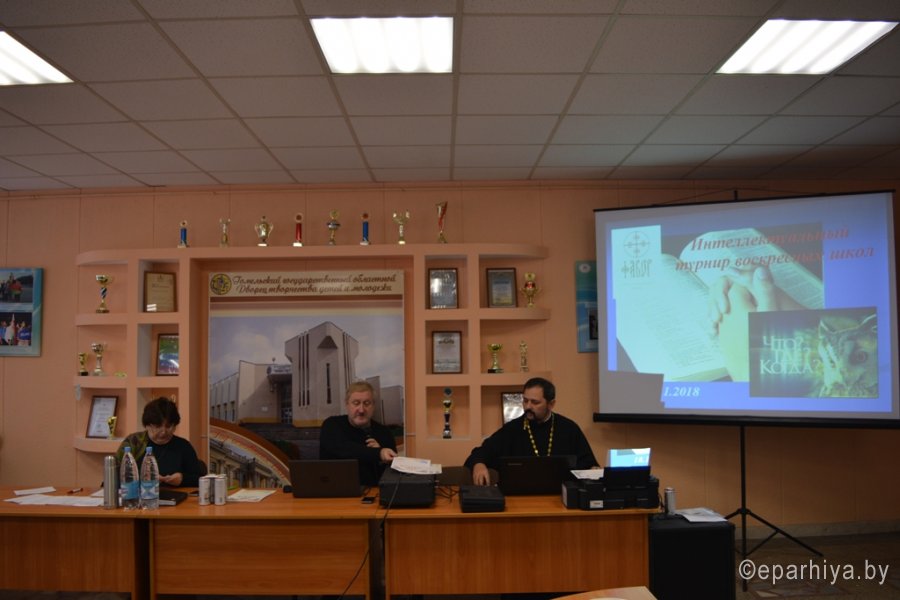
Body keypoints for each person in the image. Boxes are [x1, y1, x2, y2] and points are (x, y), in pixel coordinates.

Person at [465, 377, 598, 486]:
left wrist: (594, 470)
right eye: (525, 400)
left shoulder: (569, 428)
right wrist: (479, 464)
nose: (528, 406)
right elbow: (480, 453)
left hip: (561, 497)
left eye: (535, 402)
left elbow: (588, 463)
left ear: (551, 404)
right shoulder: (512, 429)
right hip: (520, 499)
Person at [319, 381, 397, 487]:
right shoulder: (332, 425)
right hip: (334, 491)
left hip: (375, 493)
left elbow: (393, 472)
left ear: (373, 406)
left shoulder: (384, 433)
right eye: (356, 403)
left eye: (367, 403)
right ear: (347, 404)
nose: (361, 410)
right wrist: (378, 453)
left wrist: (382, 461)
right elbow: (344, 448)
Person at [116, 396, 205, 487]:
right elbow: (115, 476)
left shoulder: (183, 446)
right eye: (157, 426)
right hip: (138, 494)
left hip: (174, 494)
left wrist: (183, 479)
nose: (163, 432)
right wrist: (144, 480)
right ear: (147, 425)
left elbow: (200, 479)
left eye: (168, 426)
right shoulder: (134, 442)